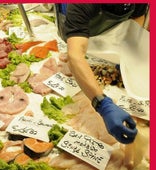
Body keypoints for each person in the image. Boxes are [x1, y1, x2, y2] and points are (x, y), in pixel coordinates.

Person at [59, 4, 148, 144]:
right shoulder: (79, 5)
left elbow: (138, 16)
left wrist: (128, 47)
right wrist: (102, 104)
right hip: (81, 37)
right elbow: (75, 55)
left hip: (108, 43)